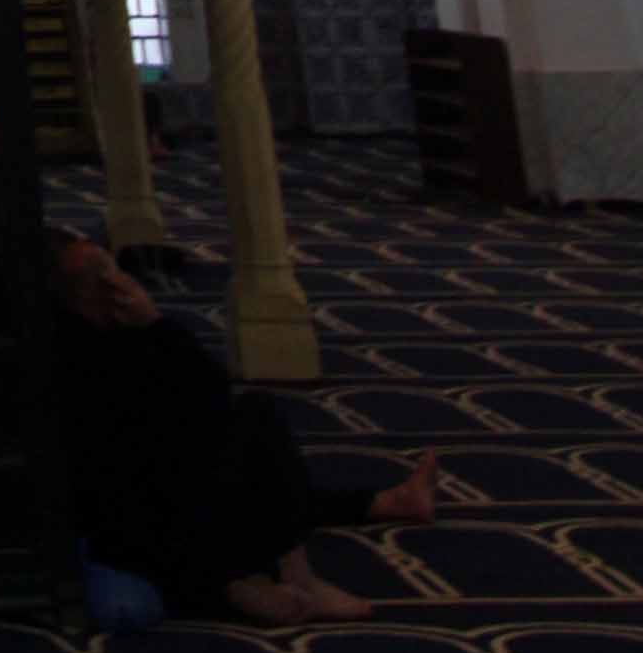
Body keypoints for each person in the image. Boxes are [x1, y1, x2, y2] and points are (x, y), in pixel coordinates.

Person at [50, 232, 439, 626]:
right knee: (253, 423)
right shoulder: (88, 351)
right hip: (130, 519)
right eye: (106, 273)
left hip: (146, 500)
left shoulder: (98, 337)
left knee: (244, 454)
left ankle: (380, 504)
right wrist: (154, 324)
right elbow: (203, 400)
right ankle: (279, 580)